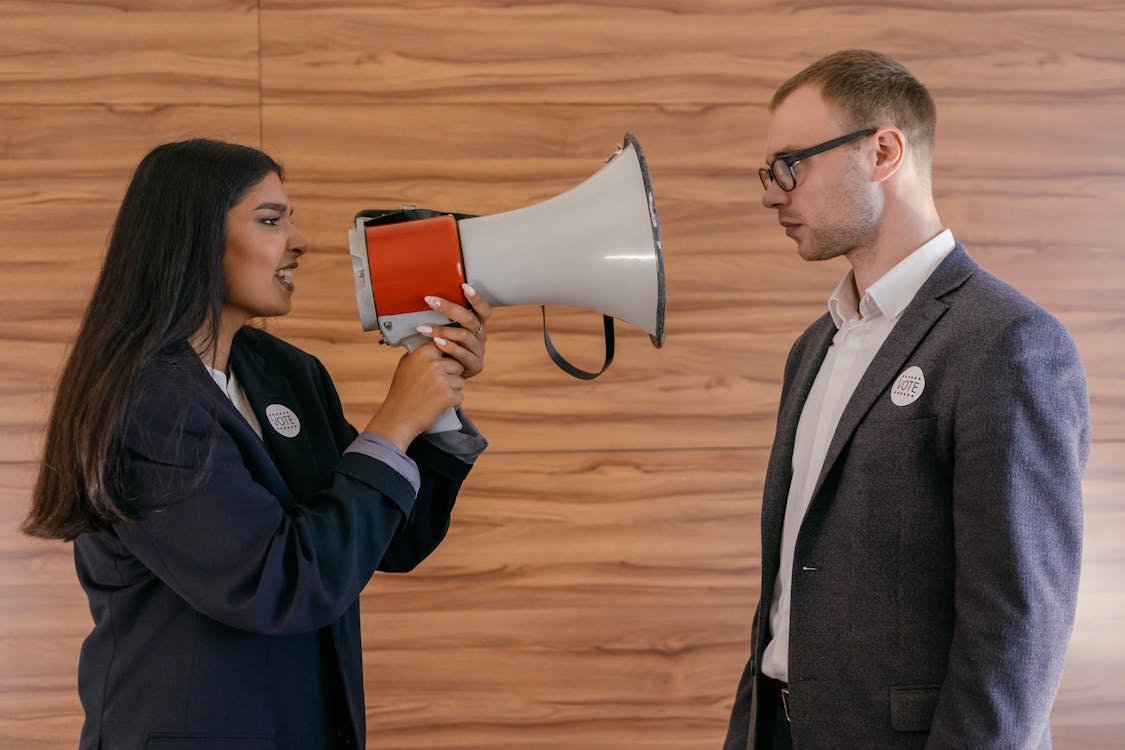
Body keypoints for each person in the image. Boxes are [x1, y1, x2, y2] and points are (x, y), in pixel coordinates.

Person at [21, 138, 491, 749]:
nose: (300, 240)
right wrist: (394, 422)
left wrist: (433, 407)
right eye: (271, 220)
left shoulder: (288, 373)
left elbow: (387, 538)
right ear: (192, 239)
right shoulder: (145, 403)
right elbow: (278, 583)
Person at [723, 50, 1090, 750]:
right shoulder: (813, 347)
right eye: (768, 173)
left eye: (789, 165)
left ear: (882, 151)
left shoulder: (1009, 343)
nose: (772, 194)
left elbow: (1018, 629)